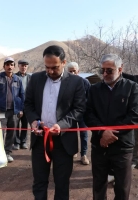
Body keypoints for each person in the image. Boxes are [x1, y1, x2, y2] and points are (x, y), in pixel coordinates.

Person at [24, 45, 86, 200]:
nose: (50, 71)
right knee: (39, 182)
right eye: (47, 67)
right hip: (40, 140)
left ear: (64, 62)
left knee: (62, 183)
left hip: (63, 142)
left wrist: (62, 125)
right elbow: (28, 104)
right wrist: (33, 121)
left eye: (55, 67)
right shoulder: (36, 79)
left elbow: (79, 109)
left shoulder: (76, 82)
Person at [85, 54, 138, 200]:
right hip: (99, 144)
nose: (105, 74)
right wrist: (102, 132)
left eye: (109, 70)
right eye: (102, 70)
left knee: (122, 187)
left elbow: (135, 115)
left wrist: (111, 134)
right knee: (99, 185)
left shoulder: (132, 87)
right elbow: (88, 114)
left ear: (120, 68)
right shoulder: (94, 89)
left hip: (123, 145)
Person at [0, 57, 24, 162]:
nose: (9, 66)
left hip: (14, 111)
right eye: (7, 64)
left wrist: (21, 109)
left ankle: (7, 153)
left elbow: (22, 95)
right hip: (1, 111)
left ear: (14, 67)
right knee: (0, 133)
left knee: (11, 133)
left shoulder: (18, 79)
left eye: (11, 65)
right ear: (4, 66)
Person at [66, 61, 91, 165]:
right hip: (70, 114)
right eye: (70, 71)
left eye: (74, 71)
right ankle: (73, 152)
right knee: (71, 133)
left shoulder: (85, 82)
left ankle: (83, 154)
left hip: (83, 113)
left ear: (78, 71)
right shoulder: (65, 83)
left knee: (84, 134)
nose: (72, 73)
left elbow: (90, 98)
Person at [13, 59, 32, 150]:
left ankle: (23, 142)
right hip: (17, 103)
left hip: (27, 104)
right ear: (18, 66)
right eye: (22, 65)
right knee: (16, 124)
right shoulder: (14, 76)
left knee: (25, 124)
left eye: (25, 66)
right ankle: (16, 142)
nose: (23, 67)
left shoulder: (30, 78)